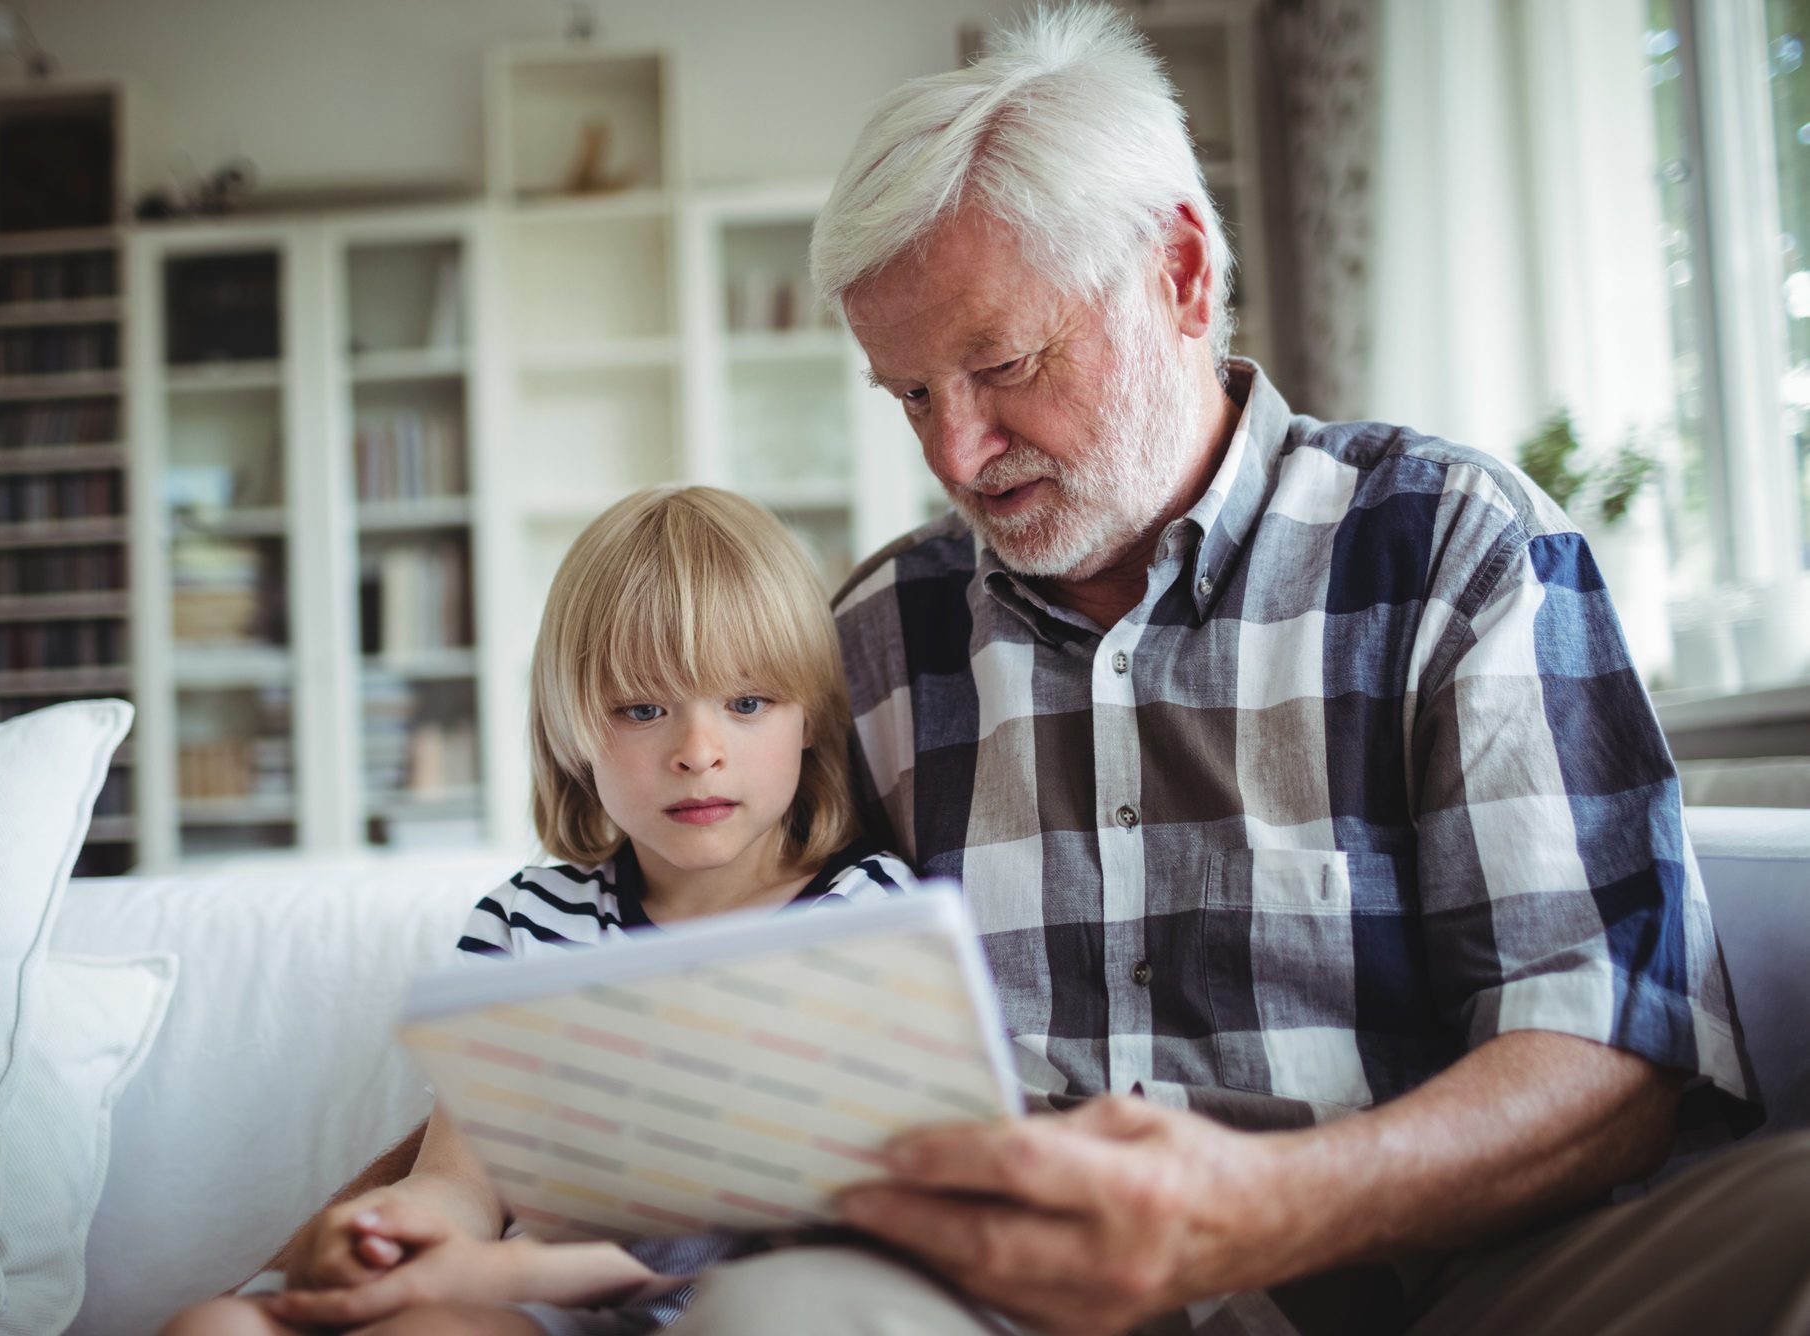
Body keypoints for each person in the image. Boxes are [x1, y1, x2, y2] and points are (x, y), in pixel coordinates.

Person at [653, 7, 1810, 1336]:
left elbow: (1615, 1046)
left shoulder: (1453, 549)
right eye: (910, 394)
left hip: (1451, 1290)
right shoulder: (870, 641)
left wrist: (1272, 1207)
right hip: (994, 1311)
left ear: (1182, 275)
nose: (958, 455)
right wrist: (437, 1206)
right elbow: (662, 977)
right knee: (772, 1312)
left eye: (1002, 362)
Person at [160, 485, 919, 1336]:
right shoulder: (529, 921)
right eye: (642, 709)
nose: (698, 752)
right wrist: (397, 1230)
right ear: (572, 733)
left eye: (746, 704)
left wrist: (523, 1266)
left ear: (810, 716)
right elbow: (464, 1178)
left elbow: (848, 1221)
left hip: (757, 1311)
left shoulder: (865, 916)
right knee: (216, 1328)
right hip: (547, 1311)